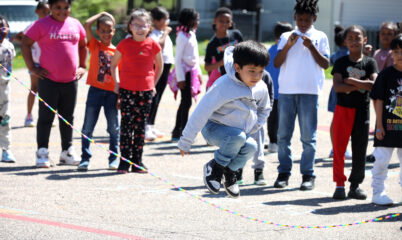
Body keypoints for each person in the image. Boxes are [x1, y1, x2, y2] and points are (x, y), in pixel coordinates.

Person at [178, 40, 271, 198]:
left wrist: (256, 126)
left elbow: (265, 108)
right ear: (237, 67)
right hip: (213, 128)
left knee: (251, 146)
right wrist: (186, 141)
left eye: (261, 71)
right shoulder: (224, 85)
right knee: (238, 137)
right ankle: (214, 167)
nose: (257, 76)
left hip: (238, 134)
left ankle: (229, 173)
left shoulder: (260, 86)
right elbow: (201, 111)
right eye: (252, 70)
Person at [21, 0, 87, 168]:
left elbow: (83, 45)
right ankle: (42, 153)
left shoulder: (75, 24)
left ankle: (67, 152)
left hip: (70, 81)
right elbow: (25, 44)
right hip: (48, 80)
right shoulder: (41, 25)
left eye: (66, 7)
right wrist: (32, 68)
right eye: (58, 7)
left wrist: (83, 66)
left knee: (67, 118)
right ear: (50, 7)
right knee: (45, 118)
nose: (62, 11)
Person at [273, 0, 330, 191]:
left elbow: (325, 64)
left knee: (308, 137)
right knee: (283, 136)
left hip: (309, 91)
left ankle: (308, 174)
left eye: (307, 20)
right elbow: (276, 63)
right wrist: (288, 46)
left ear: (314, 18)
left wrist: (312, 47)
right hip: (287, 91)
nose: (303, 23)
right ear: (295, 18)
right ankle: (284, 173)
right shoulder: (286, 36)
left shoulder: (320, 36)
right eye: (299, 19)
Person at [110, 9, 163, 174]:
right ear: (130, 27)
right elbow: (113, 65)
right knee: (126, 127)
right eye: (136, 25)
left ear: (149, 27)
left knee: (140, 128)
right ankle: (124, 162)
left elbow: (159, 67)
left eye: (144, 25)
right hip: (126, 90)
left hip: (145, 91)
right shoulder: (124, 44)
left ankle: (137, 161)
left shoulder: (153, 44)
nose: (140, 28)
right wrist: (117, 82)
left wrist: (153, 84)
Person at [331, 25, 378, 200]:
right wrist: (361, 83)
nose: (354, 41)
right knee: (339, 148)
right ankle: (340, 184)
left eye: (357, 37)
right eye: (350, 38)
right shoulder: (341, 62)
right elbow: (338, 87)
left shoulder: (370, 62)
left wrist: (350, 80)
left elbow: (373, 85)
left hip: (362, 111)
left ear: (365, 40)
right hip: (343, 110)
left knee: (360, 149)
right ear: (345, 41)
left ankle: (355, 185)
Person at [77, 12, 119, 171]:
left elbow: (119, 75)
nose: (106, 34)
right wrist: (103, 13)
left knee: (114, 128)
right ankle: (85, 158)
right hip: (95, 91)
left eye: (109, 31)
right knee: (88, 126)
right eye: (103, 31)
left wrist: (119, 94)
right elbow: (86, 24)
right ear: (98, 31)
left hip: (112, 94)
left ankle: (113, 159)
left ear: (114, 31)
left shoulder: (117, 51)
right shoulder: (94, 44)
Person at [370, 34, 402, 205]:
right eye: (396, 51)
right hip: (387, 126)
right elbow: (379, 100)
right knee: (381, 160)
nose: (399, 55)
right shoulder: (386, 74)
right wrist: (379, 125)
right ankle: (377, 193)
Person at [366, 21, 399, 163]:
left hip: (391, 95)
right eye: (383, 33)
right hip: (378, 93)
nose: (386, 36)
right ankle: (377, 151)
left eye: (390, 34)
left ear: (396, 35)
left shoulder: (394, 54)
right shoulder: (377, 52)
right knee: (379, 121)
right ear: (379, 35)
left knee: (390, 122)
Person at [14, 2, 50, 127]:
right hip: (36, 64)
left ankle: (48, 117)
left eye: (48, 12)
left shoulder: (51, 25)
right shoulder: (33, 26)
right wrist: (32, 48)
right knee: (34, 88)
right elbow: (19, 38)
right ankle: (29, 116)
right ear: (37, 12)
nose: (46, 14)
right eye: (44, 12)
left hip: (49, 63)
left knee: (49, 91)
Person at [236, 70, 273, 186]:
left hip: (257, 121)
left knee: (258, 146)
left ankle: (258, 171)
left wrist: (261, 118)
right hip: (240, 119)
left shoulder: (265, 76)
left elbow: (269, 98)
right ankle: (237, 170)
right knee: (238, 145)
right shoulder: (240, 74)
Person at [170, 8, 202, 141]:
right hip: (184, 73)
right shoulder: (181, 37)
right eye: (196, 19)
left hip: (192, 72)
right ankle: (182, 132)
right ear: (190, 20)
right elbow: (177, 59)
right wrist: (181, 78)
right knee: (186, 102)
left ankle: (178, 130)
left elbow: (195, 56)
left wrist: (199, 73)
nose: (198, 22)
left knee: (186, 103)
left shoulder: (192, 34)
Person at [145, 6, 174, 141]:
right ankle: (145, 126)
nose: (167, 21)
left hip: (166, 65)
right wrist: (166, 33)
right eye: (164, 19)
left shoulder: (161, 31)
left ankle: (151, 124)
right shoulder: (153, 33)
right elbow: (159, 47)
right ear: (155, 21)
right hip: (156, 66)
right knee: (153, 96)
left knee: (159, 96)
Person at [265, 21, 293, 153]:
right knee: (283, 118)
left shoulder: (270, 50)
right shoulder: (288, 51)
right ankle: (277, 141)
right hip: (283, 91)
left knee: (273, 118)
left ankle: (273, 141)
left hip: (273, 91)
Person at [327, 25, 352, 159]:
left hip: (335, 89)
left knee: (335, 121)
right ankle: (344, 148)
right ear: (344, 41)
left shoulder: (334, 55)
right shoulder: (349, 55)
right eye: (350, 38)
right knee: (346, 121)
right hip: (346, 89)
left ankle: (334, 148)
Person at [204, 7, 243, 90]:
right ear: (215, 21)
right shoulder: (212, 44)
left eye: (227, 21)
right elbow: (207, 67)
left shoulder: (236, 35)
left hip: (239, 76)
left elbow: (244, 51)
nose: (224, 24)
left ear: (231, 23)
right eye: (221, 21)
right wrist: (222, 62)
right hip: (224, 79)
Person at [0, 15, 16, 163]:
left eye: (3, 27)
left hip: (4, 89)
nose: (1, 30)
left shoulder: (9, 46)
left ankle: (6, 149)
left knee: (5, 118)